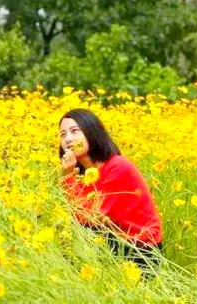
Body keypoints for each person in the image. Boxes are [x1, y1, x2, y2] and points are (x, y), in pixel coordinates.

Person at [59, 108, 163, 278]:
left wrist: (68, 177)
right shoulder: (84, 172)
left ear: (92, 132)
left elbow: (90, 217)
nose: (68, 139)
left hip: (141, 251)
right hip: (112, 241)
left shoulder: (118, 166)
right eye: (62, 134)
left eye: (75, 131)